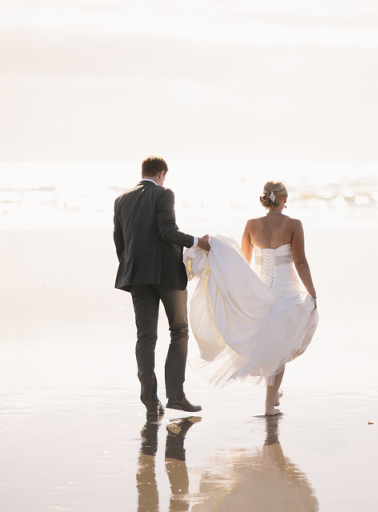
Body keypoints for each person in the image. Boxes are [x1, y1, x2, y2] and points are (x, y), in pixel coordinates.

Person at [185, 180, 318, 416]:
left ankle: (273, 395)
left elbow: (242, 264)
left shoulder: (251, 225)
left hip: (260, 290)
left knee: (271, 346)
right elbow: (300, 262)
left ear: (267, 199)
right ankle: (269, 407)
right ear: (284, 200)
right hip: (286, 291)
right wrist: (312, 292)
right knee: (280, 349)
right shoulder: (294, 224)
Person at [113, 156, 210, 420]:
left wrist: (132, 267)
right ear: (162, 173)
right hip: (166, 275)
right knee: (179, 330)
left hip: (136, 276)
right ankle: (176, 397)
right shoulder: (164, 193)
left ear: (143, 172)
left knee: (145, 337)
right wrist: (196, 241)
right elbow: (167, 231)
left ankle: (149, 401)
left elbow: (119, 241)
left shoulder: (121, 200)